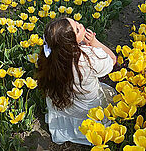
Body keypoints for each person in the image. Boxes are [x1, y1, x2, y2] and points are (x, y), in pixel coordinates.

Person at [37, 16, 117, 146]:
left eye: (76, 23)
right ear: (71, 43)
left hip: (61, 107)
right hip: (88, 110)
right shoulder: (90, 58)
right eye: (78, 29)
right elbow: (112, 59)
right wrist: (95, 43)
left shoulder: (47, 56)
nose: (81, 25)